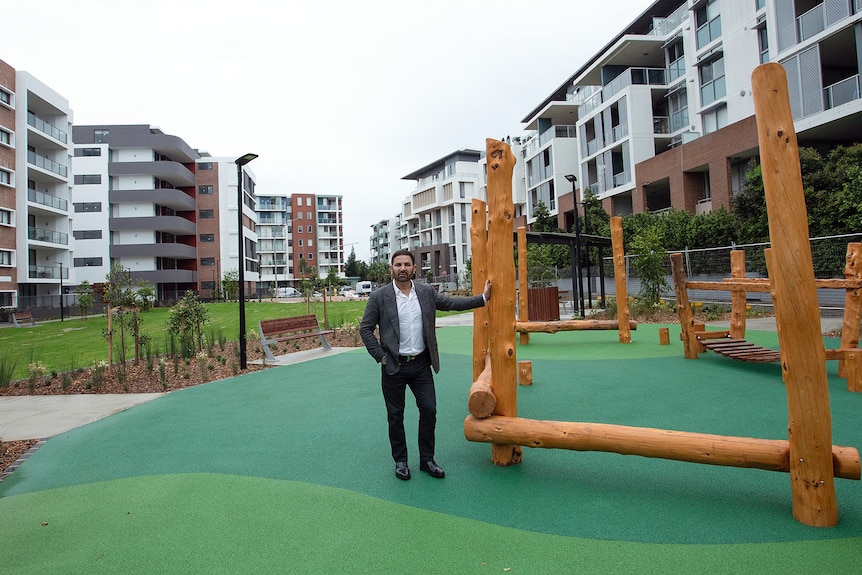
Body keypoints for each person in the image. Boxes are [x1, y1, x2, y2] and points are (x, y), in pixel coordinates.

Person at [359, 249, 492, 480]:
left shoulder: (425, 292)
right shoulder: (380, 297)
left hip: (421, 364)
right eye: (398, 264)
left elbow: (451, 303)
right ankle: (400, 461)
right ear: (391, 268)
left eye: (407, 264)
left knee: (429, 410)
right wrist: (380, 356)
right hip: (393, 366)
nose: (402, 268)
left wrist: (483, 298)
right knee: (395, 415)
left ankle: (427, 460)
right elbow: (365, 328)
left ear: (414, 268)